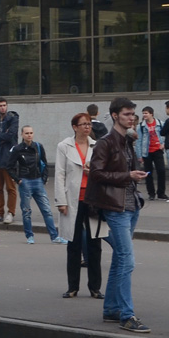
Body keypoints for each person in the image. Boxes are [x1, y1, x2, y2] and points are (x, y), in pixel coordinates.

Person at [86, 96, 151, 333]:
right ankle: (127, 315)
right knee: (127, 259)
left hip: (131, 206)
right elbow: (96, 173)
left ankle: (112, 309)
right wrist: (128, 177)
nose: (131, 118)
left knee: (120, 259)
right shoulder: (106, 142)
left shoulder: (127, 141)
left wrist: (135, 175)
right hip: (115, 209)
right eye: (126, 114)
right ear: (115, 116)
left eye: (132, 114)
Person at [54, 113, 102, 298]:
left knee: (94, 243)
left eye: (89, 124)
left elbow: (103, 172)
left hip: (93, 200)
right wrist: (61, 201)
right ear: (74, 127)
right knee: (73, 244)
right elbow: (59, 174)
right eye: (83, 124)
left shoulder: (97, 146)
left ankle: (95, 288)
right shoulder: (64, 146)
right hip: (72, 199)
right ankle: (72, 287)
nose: (87, 127)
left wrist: (93, 173)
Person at [7, 126, 67, 244]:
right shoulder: (18, 149)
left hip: (37, 181)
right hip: (25, 182)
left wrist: (43, 178)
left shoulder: (38, 147)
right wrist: (18, 180)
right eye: (27, 133)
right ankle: (30, 236)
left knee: (47, 210)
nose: (29, 135)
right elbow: (9, 167)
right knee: (26, 211)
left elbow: (43, 162)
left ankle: (54, 236)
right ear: (22, 135)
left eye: (31, 133)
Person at [135, 106, 168, 200]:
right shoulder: (141, 126)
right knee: (148, 173)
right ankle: (151, 193)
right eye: (143, 113)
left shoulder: (160, 124)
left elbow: (166, 135)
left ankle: (161, 193)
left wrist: (164, 144)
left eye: (146, 113)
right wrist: (139, 155)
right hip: (147, 152)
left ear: (151, 114)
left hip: (157, 150)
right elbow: (139, 141)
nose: (144, 115)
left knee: (161, 171)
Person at [0, 98, 19, 224]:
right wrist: (3, 136)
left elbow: (11, 134)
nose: (2, 108)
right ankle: (0, 212)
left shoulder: (12, 118)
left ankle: (11, 212)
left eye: (4, 105)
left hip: (8, 157)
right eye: (0, 106)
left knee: (10, 187)